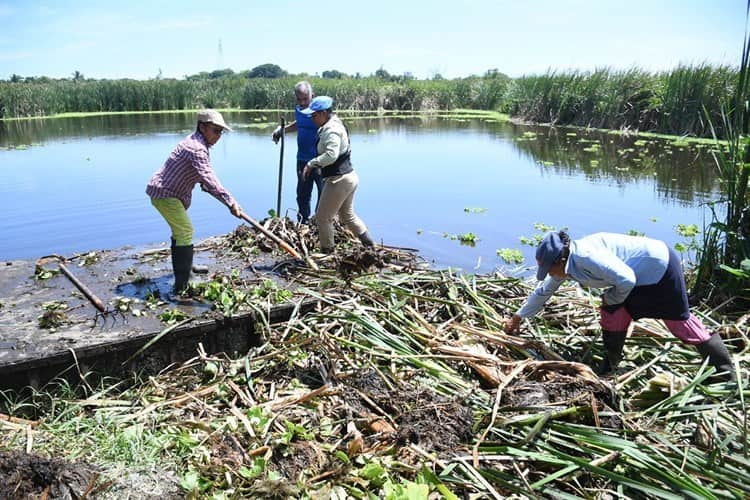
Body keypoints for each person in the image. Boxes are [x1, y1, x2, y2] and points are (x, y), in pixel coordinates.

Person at [504, 231, 735, 381]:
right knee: (613, 313)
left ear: (560, 260)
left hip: (660, 268)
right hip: (638, 275)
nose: (549, 275)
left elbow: (626, 279)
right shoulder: (564, 267)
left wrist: (612, 297)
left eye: (548, 270)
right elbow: (543, 291)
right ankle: (611, 364)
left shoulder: (587, 257)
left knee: (679, 323)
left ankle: (724, 371)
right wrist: (518, 317)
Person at [146, 109, 243, 293]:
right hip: (165, 194)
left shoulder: (198, 143)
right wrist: (231, 202)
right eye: (216, 131)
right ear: (202, 127)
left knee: (180, 232)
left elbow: (204, 179)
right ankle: (182, 284)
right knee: (185, 231)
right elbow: (210, 178)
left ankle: (187, 266)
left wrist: (209, 188)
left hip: (169, 193)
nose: (218, 136)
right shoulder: (196, 148)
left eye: (221, 132)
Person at [299, 96, 374, 253]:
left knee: (322, 217)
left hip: (339, 180)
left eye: (314, 115)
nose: (312, 118)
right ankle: (370, 246)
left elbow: (331, 155)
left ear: (324, 113)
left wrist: (311, 163)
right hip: (349, 177)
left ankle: (328, 252)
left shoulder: (331, 130)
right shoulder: (335, 123)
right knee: (348, 215)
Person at [272, 81, 323, 223]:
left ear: (313, 95)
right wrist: (282, 131)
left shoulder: (320, 112)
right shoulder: (299, 110)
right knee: (302, 194)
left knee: (323, 194)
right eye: (299, 99)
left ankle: (319, 221)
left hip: (321, 161)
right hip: (302, 159)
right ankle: (304, 221)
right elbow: (299, 124)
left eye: (305, 99)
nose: (302, 102)